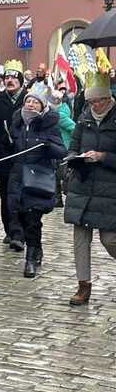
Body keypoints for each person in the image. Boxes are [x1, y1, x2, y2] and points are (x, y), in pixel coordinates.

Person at [64, 72, 116, 305]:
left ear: (107, 98)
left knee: (109, 239)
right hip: (82, 186)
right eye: (90, 102)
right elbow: (72, 147)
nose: (94, 106)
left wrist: (103, 156)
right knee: (80, 239)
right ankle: (83, 285)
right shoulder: (84, 118)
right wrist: (75, 158)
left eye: (97, 101)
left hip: (109, 189)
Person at [7, 83, 66, 278]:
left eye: (35, 102)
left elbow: (61, 151)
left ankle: (30, 258)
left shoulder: (48, 125)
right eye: (28, 101)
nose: (31, 104)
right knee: (21, 217)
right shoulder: (17, 122)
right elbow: (10, 148)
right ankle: (37, 247)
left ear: (42, 106)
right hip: (17, 178)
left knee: (32, 218)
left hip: (37, 178)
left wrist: (46, 145)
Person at [0, 60, 28, 250]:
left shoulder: (29, 99)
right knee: (6, 195)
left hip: (23, 156)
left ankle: (20, 230)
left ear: (20, 80)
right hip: (2, 155)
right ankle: (10, 230)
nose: (10, 80)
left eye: (13, 77)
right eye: (7, 77)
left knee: (21, 194)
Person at [49, 90, 75, 208]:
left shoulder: (60, 115)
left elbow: (74, 128)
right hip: (58, 147)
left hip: (63, 147)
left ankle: (65, 197)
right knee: (56, 174)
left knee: (62, 175)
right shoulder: (58, 113)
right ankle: (57, 199)